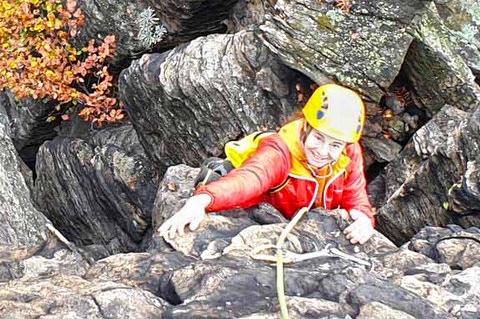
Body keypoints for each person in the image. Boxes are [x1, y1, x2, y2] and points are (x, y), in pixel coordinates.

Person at [158, 84, 381, 248]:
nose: (323, 151)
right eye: (318, 138)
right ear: (305, 128)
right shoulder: (280, 152)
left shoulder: (348, 154)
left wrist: (364, 218)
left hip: (302, 223)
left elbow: (355, 195)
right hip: (266, 214)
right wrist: (201, 201)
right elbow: (251, 179)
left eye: (335, 145)